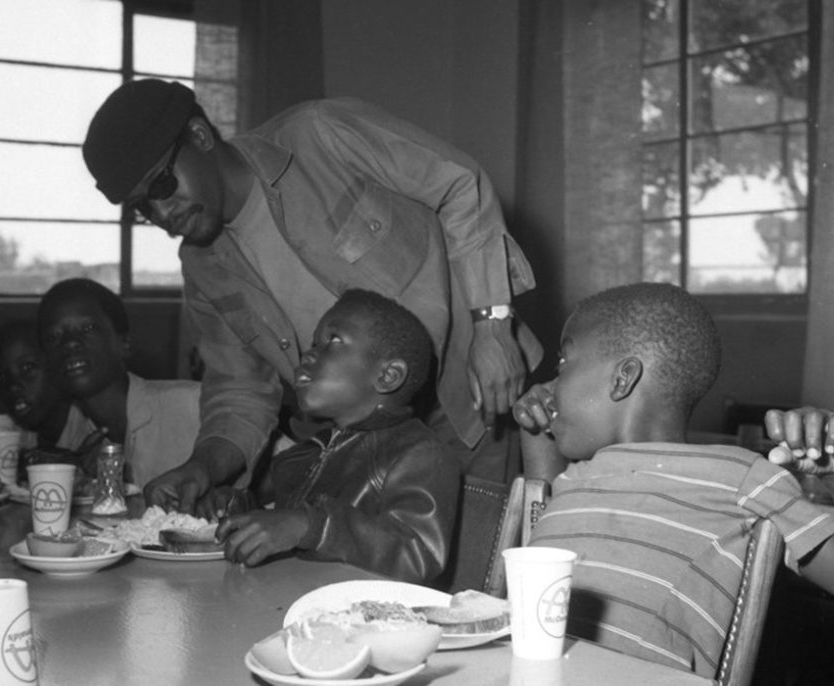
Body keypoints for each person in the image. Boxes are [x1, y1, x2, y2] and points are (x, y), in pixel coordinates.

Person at [81, 79, 543, 512]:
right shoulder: (203, 266)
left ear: (200, 136)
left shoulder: (319, 136)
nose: (162, 213)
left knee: (484, 579)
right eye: (143, 207)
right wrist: (201, 467)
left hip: (472, 400)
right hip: (370, 446)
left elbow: (461, 183)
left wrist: (492, 325)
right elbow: (240, 390)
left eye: (162, 184)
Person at [512, 282, 834, 679]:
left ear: (623, 379)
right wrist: (535, 429)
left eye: (563, 364)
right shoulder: (578, 477)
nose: (551, 384)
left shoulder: (739, 478)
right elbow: (540, 546)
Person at [206, 289, 461, 584]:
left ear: (388, 375)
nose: (309, 353)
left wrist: (311, 527)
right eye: (314, 342)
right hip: (297, 609)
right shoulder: (306, 453)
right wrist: (234, 511)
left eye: (334, 341)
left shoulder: (419, 453)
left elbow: (420, 553)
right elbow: (286, 530)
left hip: (368, 624)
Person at [37, 278, 203, 487]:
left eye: (87, 328)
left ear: (124, 342)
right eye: (53, 337)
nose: (69, 342)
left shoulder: (193, 405)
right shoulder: (73, 442)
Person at [0, 319, 101, 483]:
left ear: (57, 368)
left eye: (27, 368)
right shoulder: (14, 437)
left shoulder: (92, 434)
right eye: (1, 376)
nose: (12, 386)